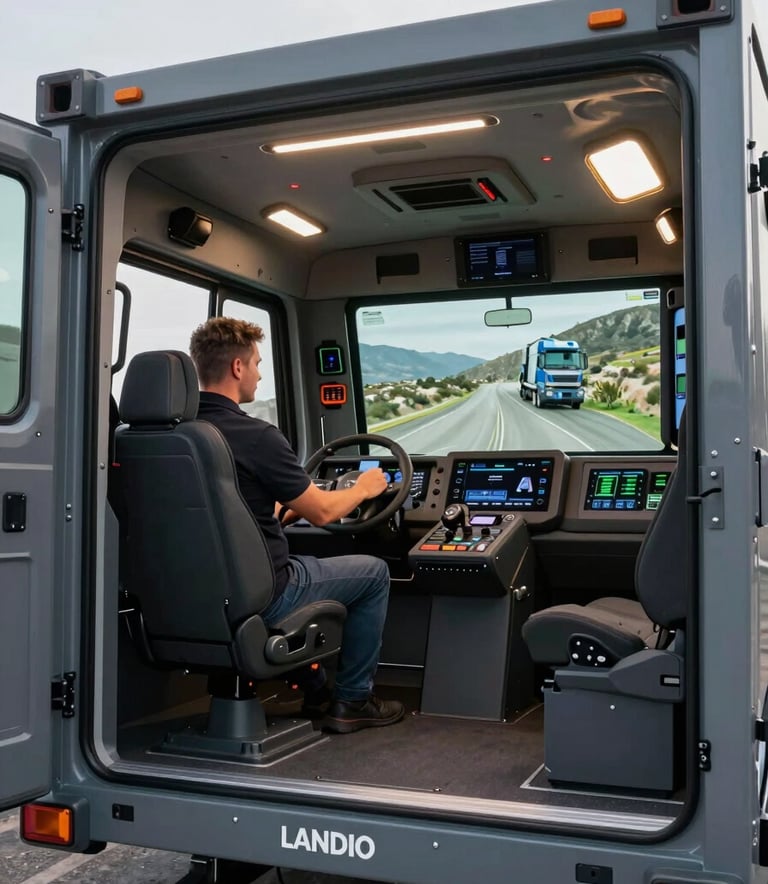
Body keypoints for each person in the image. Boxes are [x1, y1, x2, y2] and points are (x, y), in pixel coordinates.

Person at [189, 316, 405, 734]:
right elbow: (324, 511)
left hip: (186, 597)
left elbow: (213, 513)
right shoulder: (256, 436)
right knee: (374, 572)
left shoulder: (166, 437)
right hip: (261, 595)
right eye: (255, 363)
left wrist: (277, 510)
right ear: (237, 368)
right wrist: (363, 488)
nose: (258, 373)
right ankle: (353, 701)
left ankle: (315, 685)